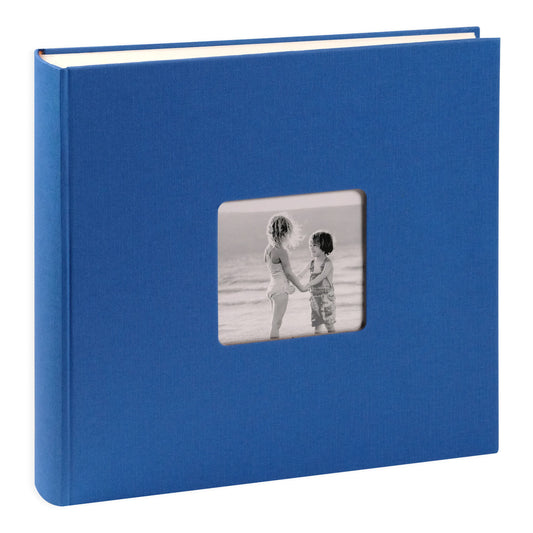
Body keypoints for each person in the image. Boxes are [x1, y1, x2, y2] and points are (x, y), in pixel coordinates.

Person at [264, 214, 307, 339]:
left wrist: (305, 270)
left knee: (275, 323)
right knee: (276, 325)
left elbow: (279, 273)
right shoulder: (281, 251)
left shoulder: (268, 249)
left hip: (272, 289)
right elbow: (288, 273)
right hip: (280, 291)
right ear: (285, 233)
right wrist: (301, 288)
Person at [303, 231, 336, 334]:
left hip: (326, 298)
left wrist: (309, 284)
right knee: (317, 325)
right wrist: (291, 280)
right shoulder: (312, 263)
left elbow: (321, 276)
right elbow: (301, 274)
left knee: (329, 324)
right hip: (314, 299)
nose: (311, 247)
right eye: (310, 245)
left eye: (315, 245)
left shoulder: (328, 263)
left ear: (324, 245)